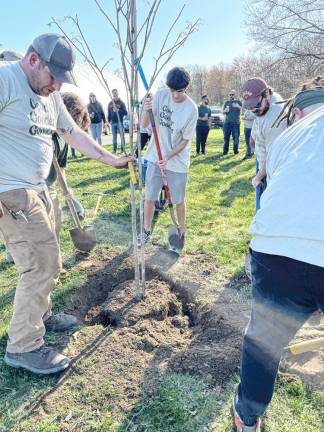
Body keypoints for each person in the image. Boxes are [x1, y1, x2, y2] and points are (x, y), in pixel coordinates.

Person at [0, 33, 131, 375]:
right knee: (44, 264)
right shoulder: (4, 80)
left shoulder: (52, 96)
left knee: (42, 259)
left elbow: (72, 134)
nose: (57, 86)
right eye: (52, 76)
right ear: (32, 60)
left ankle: (40, 316)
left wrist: (111, 159)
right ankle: (24, 347)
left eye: (62, 79)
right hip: (10, 191)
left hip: (39, 188)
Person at [232, 77, 324, 432]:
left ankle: (247, 416)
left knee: (264, 340)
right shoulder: (279, 127)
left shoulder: (288, 135)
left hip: (274, 248)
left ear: (297, 111)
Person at [140, 66, 198, 244]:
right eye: (173, 90)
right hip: (154, 157)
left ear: (186, 88)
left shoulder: (191, 109)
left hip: (177, 162)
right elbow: (144, 124)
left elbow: (185, 141)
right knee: (150, 197)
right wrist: (146, 108)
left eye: (179, 91)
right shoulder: (160, 96)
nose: (175, 95)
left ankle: (180, 231)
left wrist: (168, 156)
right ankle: (146, 230)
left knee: (178, 200)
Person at [241, 78, 286, 191]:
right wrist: (253, 137)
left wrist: (258, 177)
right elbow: (258, 119)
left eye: (256, 104)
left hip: (272, 172)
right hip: (264, 163)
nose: (254, 109)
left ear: (266, 94)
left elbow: (273, 158)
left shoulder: (275, 119)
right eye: (249, 107)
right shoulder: (268, 101)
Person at [222, 90, 242, 156]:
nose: (231, 96)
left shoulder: (238, 102)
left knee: (236, 138)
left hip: (236, 123)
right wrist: (225, 111)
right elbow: (222, 112)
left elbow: (244, 110)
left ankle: (235, 151)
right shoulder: (226, 102)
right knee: (226, 138)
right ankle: (225, 151)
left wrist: (238, 106)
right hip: (227, 123)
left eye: (232, 94)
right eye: (230, 94)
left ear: (235, 95)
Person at [107, 89, 128, 154]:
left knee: (122, 137)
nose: (114, 94)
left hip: (120, 122)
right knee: (114, 137)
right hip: (113, 123)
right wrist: (108, 121)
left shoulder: (121, 103)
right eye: (113, 93)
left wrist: (118, 110)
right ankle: (114, 149)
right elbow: (109, 113)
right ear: (112, 94)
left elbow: (125, 112)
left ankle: (123, 150)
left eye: (115, 93)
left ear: (118, 93)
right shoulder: (110, 103)